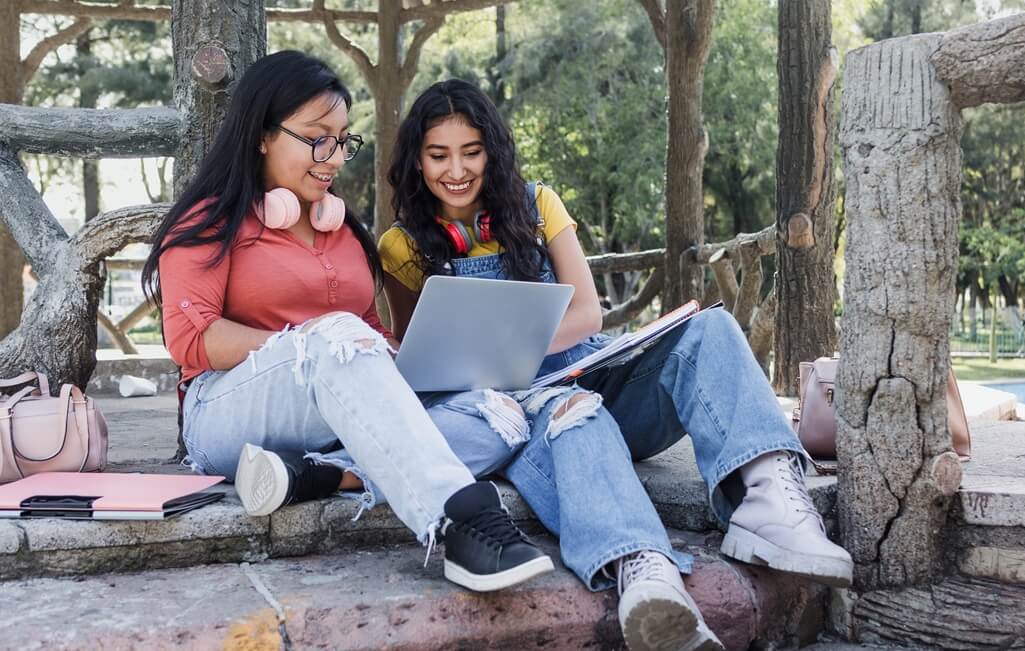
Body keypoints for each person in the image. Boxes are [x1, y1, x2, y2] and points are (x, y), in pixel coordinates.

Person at [379, 79, 853, 651]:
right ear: (416, 159)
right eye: (438, 155)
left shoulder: (536, 206)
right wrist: (502, 380)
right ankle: (647, 581)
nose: (456, 169)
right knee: (572, 411)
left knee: (709, 327)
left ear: (492, 151)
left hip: (594, 369)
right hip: (518, 412)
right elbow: (422, 357)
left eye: (471, 151)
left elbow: (586, 314)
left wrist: (523, 351)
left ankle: (770, 498)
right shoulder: (401, 246)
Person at [142, 53, 551, 593]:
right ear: (263, 135)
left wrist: (414, 359)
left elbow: (368, 336)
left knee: (499, 414)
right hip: (224, 409)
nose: (333, 157)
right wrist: (310, 345)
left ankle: (316, 474)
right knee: (337, 338)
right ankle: (460, 522)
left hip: (334, 406)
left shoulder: (343, 231)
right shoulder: (209, 222)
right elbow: (192, 340)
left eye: (342, 140)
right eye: (317, 138)